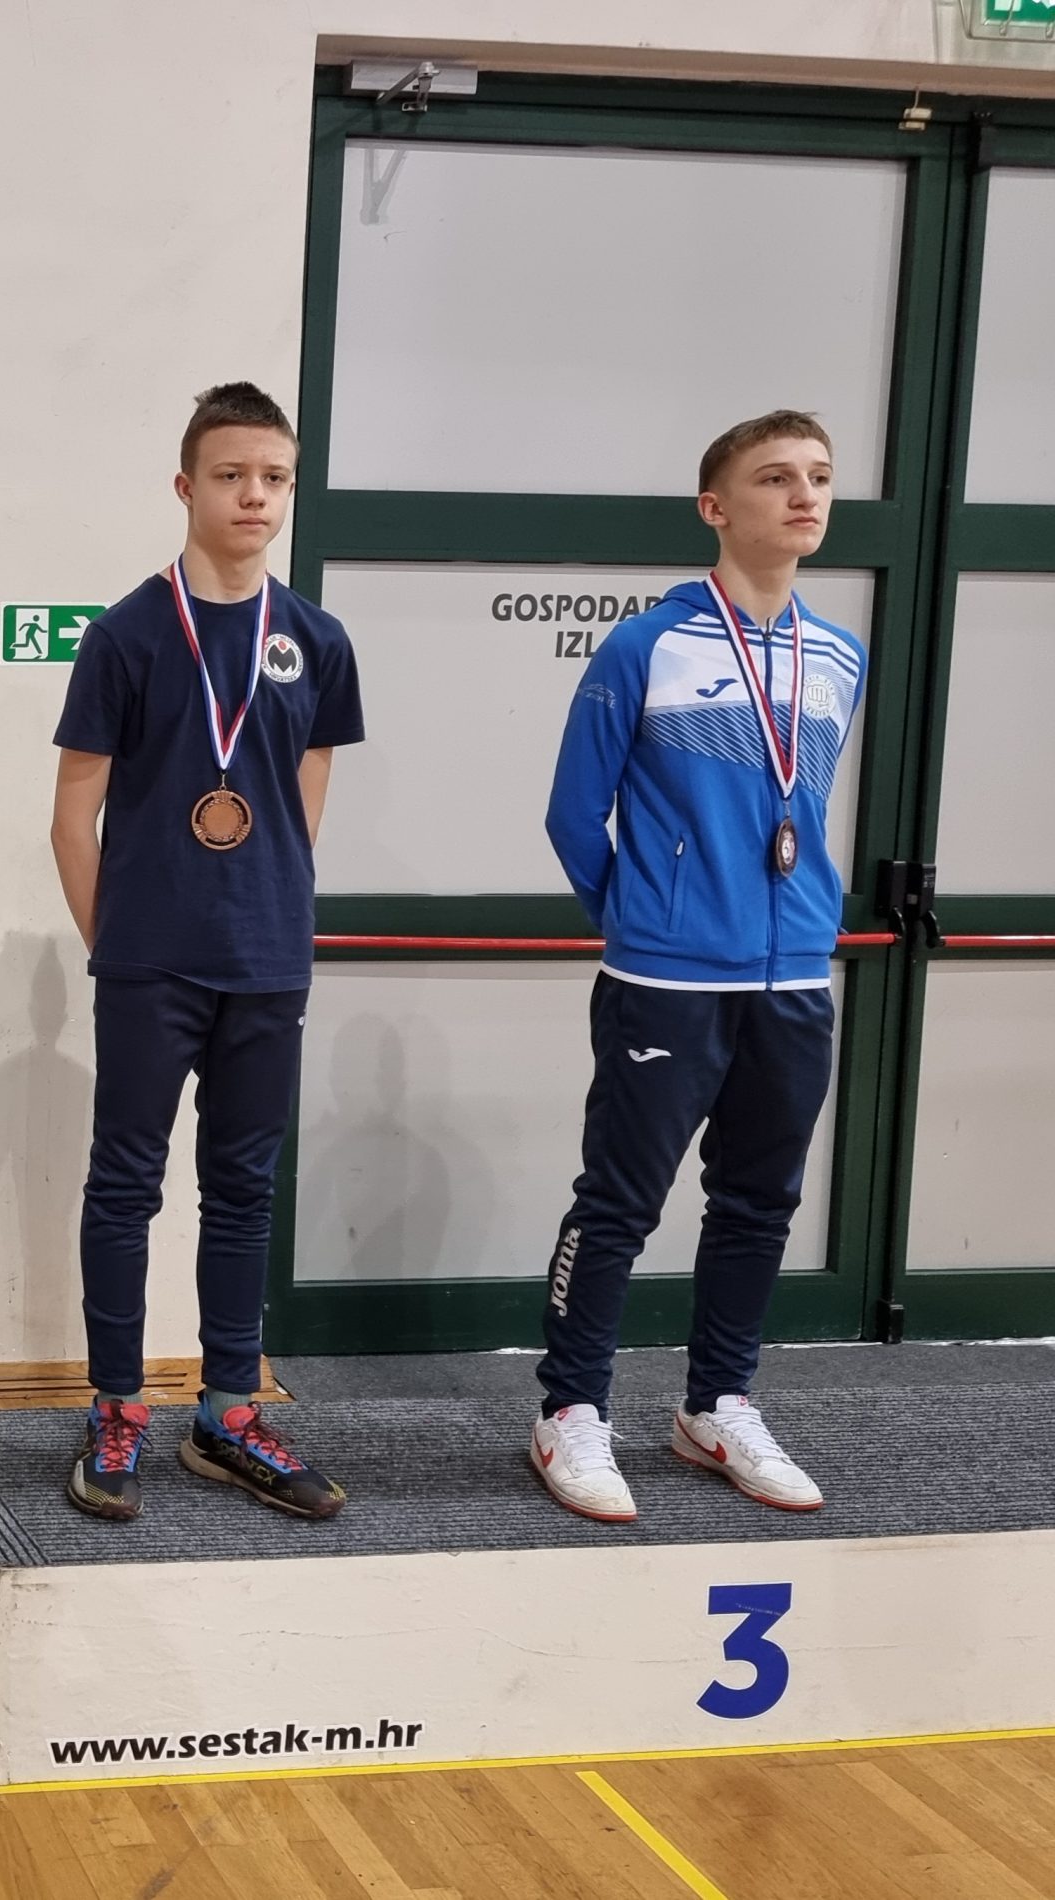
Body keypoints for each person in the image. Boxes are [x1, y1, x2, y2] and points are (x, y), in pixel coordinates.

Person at [532, 410, 865, 1523]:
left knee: (759, 1200)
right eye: (775, 478)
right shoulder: (645, 648)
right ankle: (570, 1409)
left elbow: (802, 807)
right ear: (715, 507)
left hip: (794, 976)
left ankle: (717, 1403)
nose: (804, 495)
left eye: (819, 476)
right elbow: (573, 815)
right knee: (619, 1202)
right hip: (667, 980)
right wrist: (650, 917)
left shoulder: (838, 656)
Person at [49, 383, 363, 1522]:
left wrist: (263, 908)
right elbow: (69, 819)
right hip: (150, 964)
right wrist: (124, 944)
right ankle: (116, 1405)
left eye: (274, 477)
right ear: (187, 486)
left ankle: (228, 1412)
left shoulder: (315, 639)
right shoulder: (128, 634)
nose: (254, 495)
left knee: (241, 1189)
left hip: (266, 962)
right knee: (124, 1185)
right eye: (231, 475)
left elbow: (303, 800)